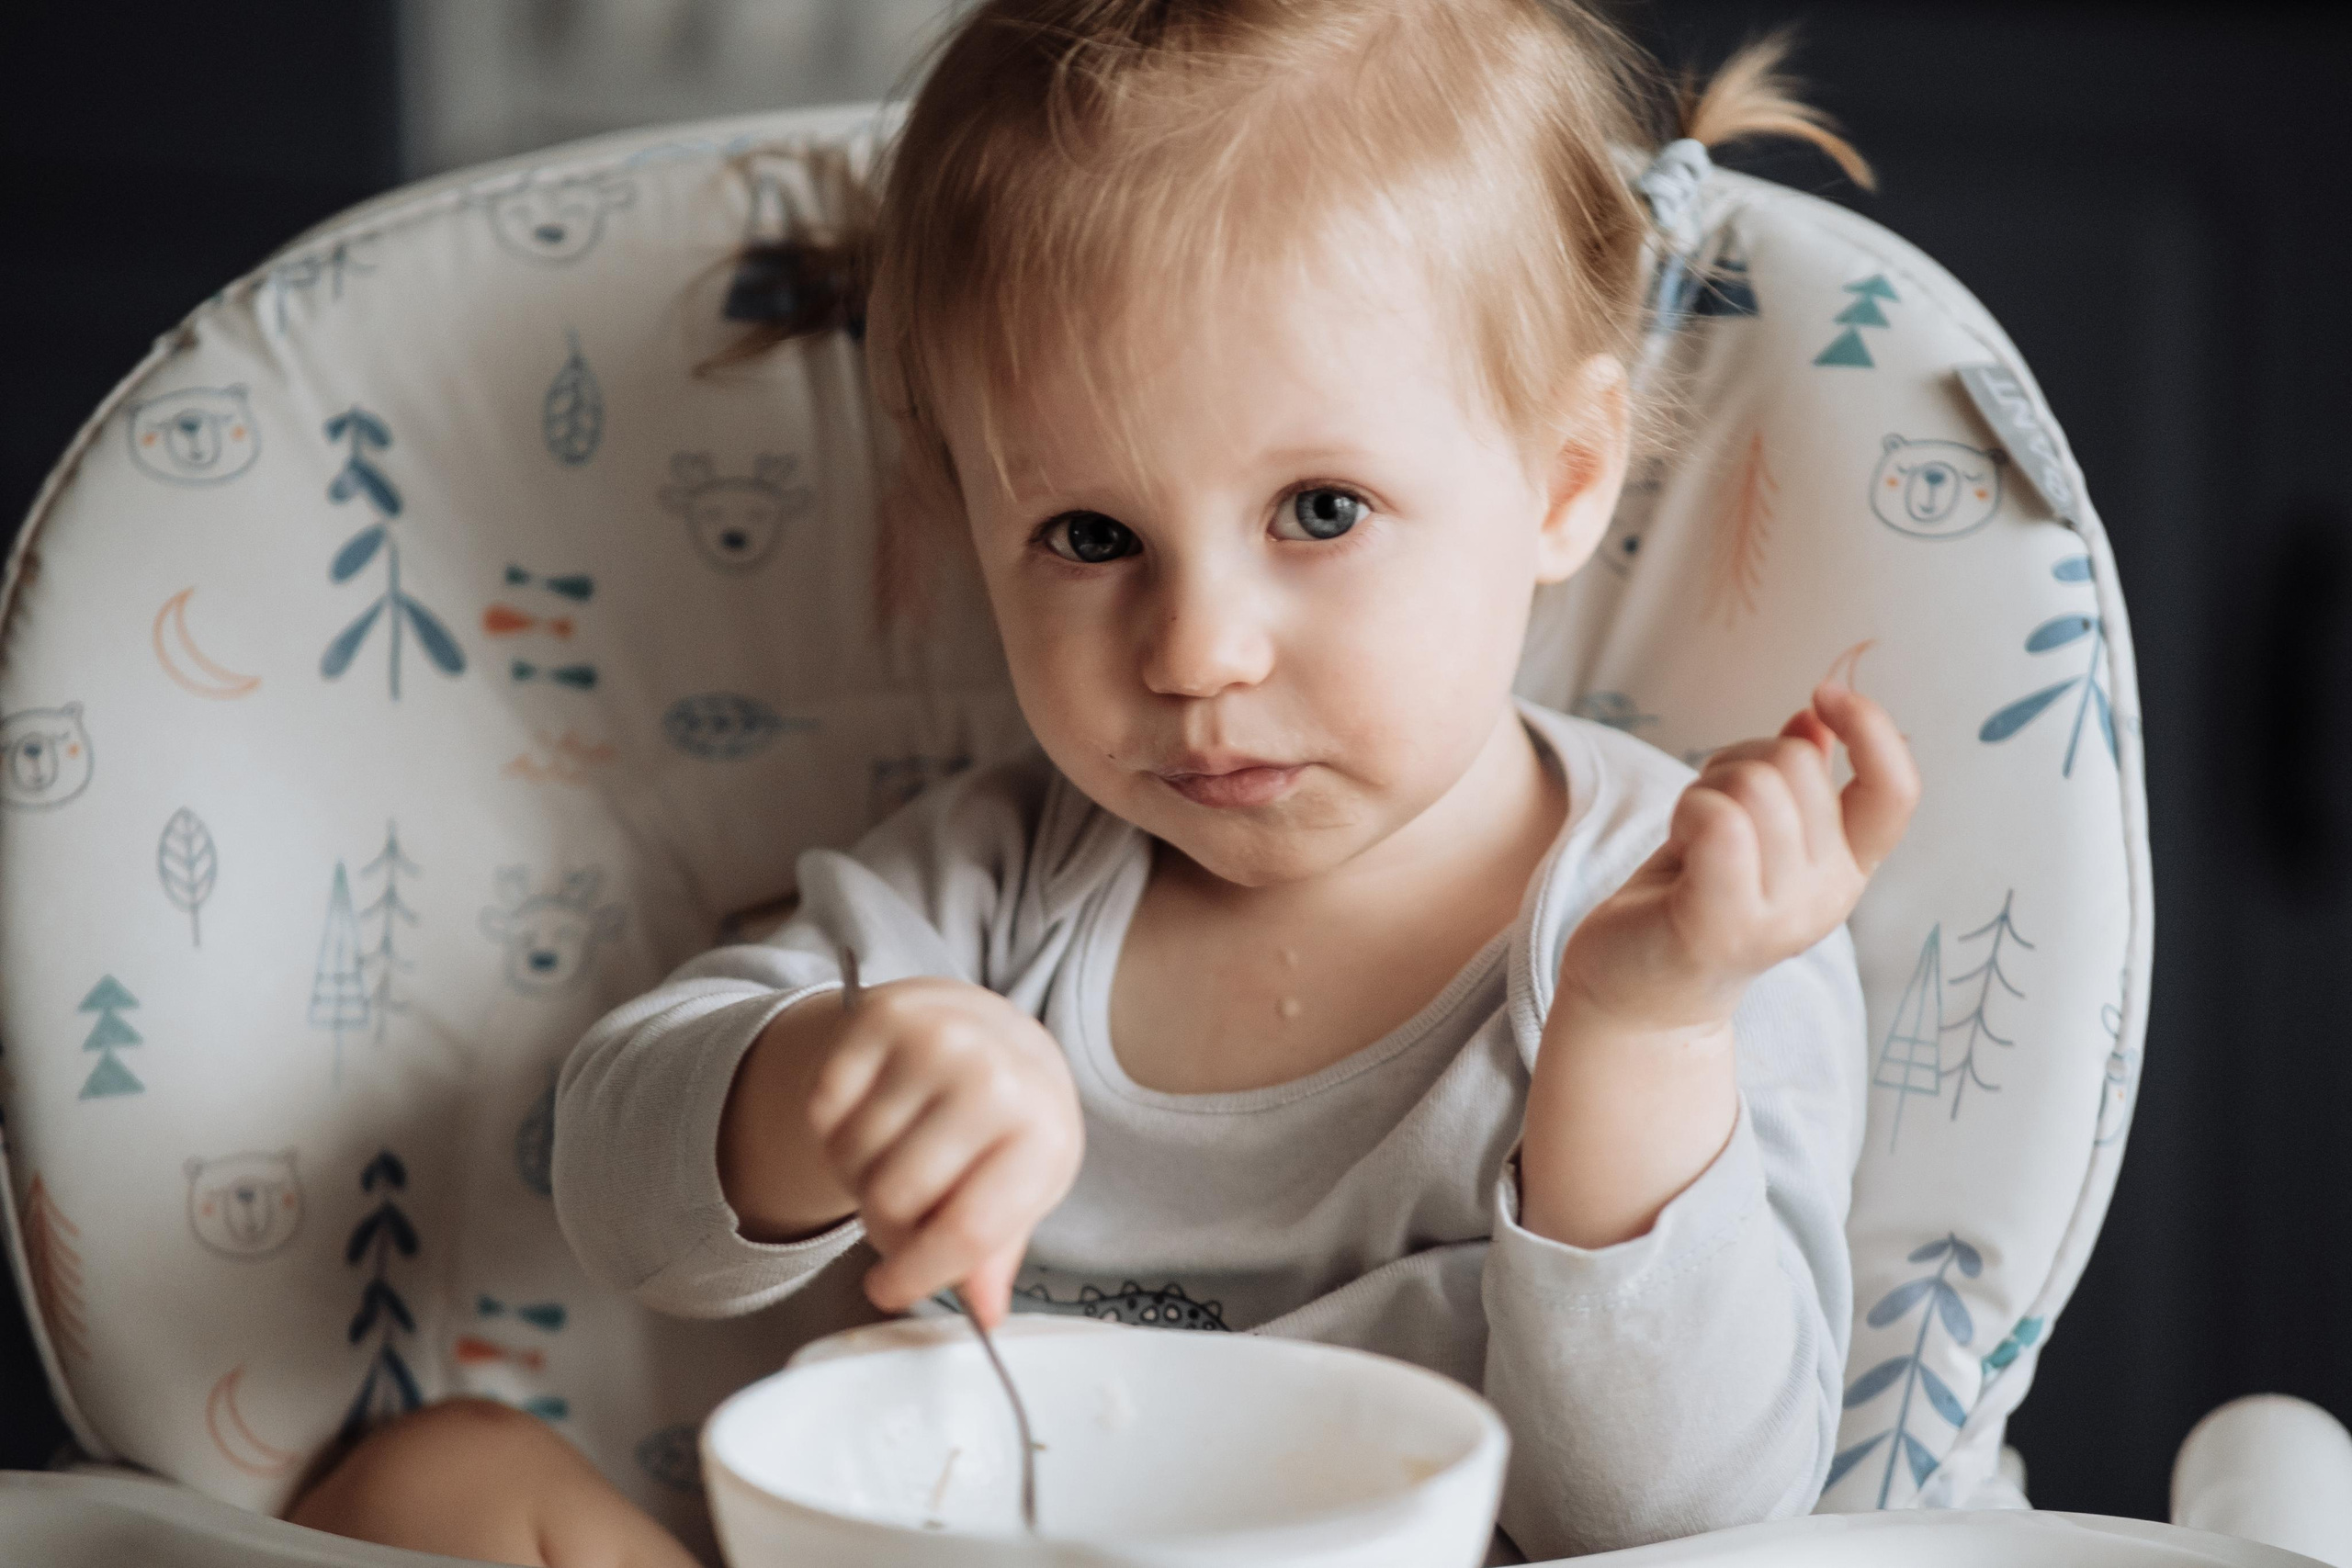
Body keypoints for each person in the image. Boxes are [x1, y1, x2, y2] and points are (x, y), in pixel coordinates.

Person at [287, 3, 1917, 1563]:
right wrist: (831, 1080)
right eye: (1088, 537)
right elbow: (617, 1202)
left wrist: (1639, 1036)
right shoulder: (989, 889)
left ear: (1564, 481)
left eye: (1322, 511)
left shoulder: (1680, 923)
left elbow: (1676, 1528)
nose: (1196, 651)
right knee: (432, 1482)